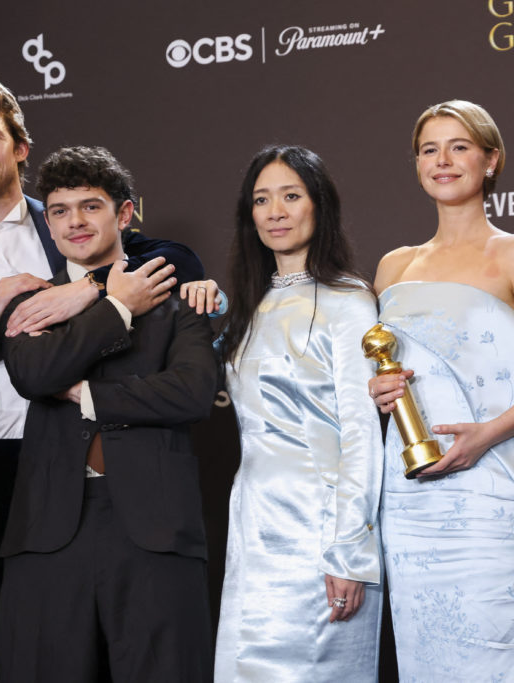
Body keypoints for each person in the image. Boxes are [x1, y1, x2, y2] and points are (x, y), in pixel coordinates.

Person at [0, 77, 202, 682]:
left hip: (74, 464)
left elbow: (175, 261)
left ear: (20, 147)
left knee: (89, 656)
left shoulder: (66, 215)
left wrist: (90, 292)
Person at [369, 100, 514, 681]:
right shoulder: (393, 267)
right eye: (429, 149)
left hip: (496, 487)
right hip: (413, 499)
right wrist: (378, 388)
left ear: (491, 160)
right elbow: (384, 375)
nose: (443, 161)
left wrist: (486, 436)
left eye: (459, 146)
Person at [0, 146, 218, 682]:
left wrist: (86, 395)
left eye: (90, 206)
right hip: (48, 528)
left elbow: (190, 393)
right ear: (46, 223)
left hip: (156, 527)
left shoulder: (178, 299)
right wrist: (116, 307)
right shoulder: (30, 303)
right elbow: (33, 376)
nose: (75, 221)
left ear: (124, 214)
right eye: (59, 210)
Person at [198, 146, 384, 681]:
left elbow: (360, 431)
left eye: (290, 195)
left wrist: (349, 551)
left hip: (320, 532)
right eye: (261, 199)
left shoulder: (349, 300)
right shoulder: (249, 309)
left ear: (318, 205)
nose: (275, 211)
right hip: (255, 526)